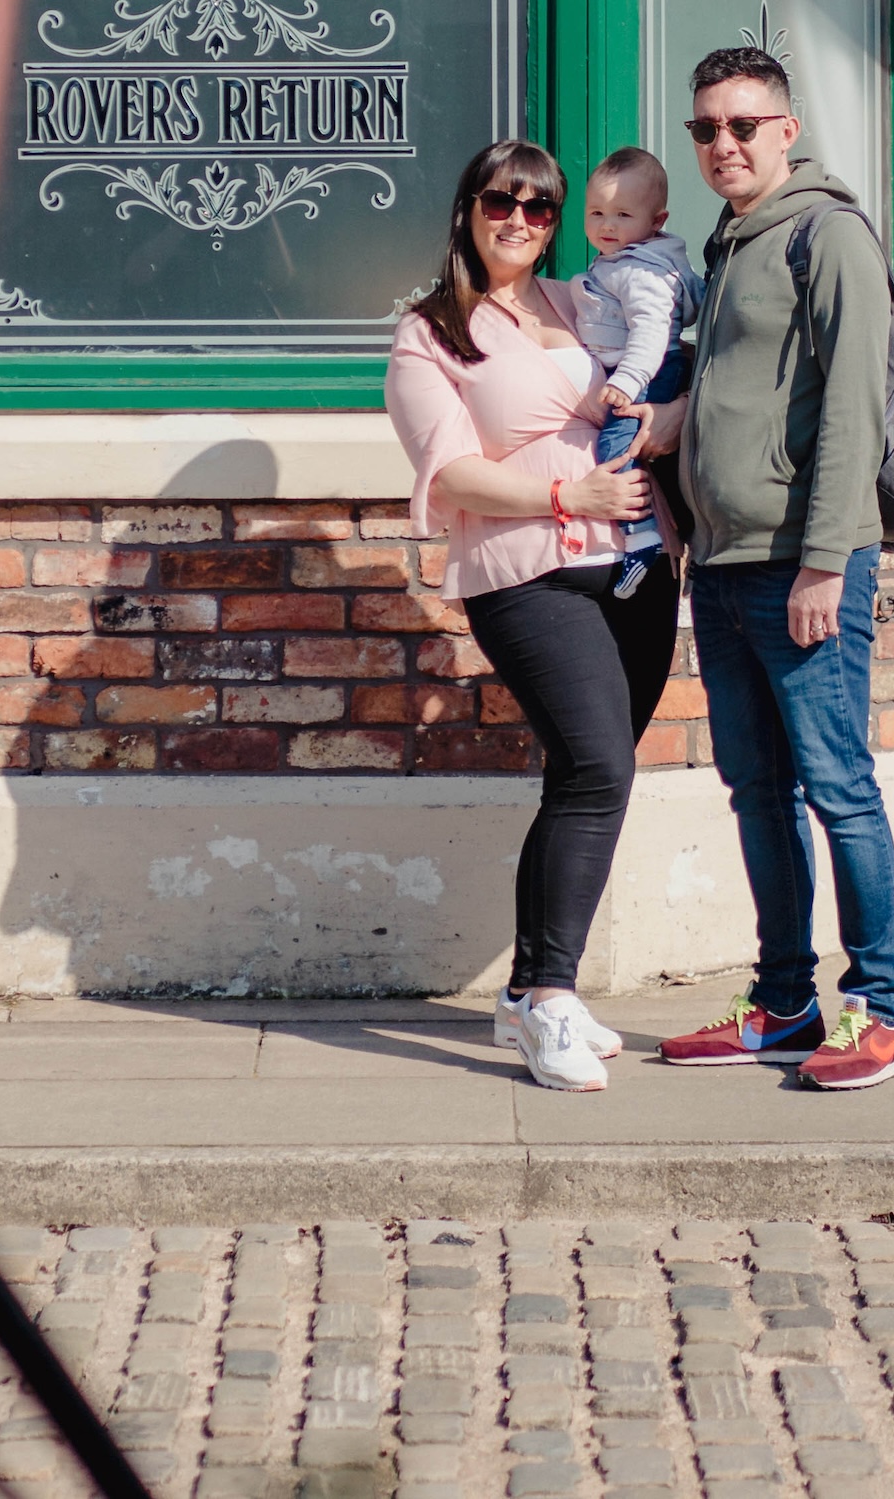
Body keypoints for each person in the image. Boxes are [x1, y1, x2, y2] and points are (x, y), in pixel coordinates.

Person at [647, 46, 894, 1092]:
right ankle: (784, 1004)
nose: (722, 145)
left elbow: (849, 412)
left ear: (787, 131)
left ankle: (877, 1013)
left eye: (742, 126)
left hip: (800, 569)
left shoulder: (826, 234)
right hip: (721, 566)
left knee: (838, 789)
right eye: (705, 129)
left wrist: (822, 567)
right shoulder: (729, 242)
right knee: (757, 791)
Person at [383, 140, 672, 1094]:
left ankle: (531, 988)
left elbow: (647, 385)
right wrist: (565, 500)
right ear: (468, 208)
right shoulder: (429, 333)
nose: (520, 220)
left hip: (633, 567)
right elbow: (450, 471)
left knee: (585, 778)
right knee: (599, 764)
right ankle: (548, 1000)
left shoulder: (577, 302)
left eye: (541, 208)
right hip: (526, 573)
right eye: (501, 201)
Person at [569, 145, 697, 599]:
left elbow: (651, 333)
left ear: (656, 221)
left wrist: (627, 380)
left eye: (623, 214)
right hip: (641, 370)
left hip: (648, 372)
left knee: (616, 447)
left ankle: (641, 536)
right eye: (596, 212)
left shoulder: (640, 271)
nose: (606, 225)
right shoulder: (624, 260)